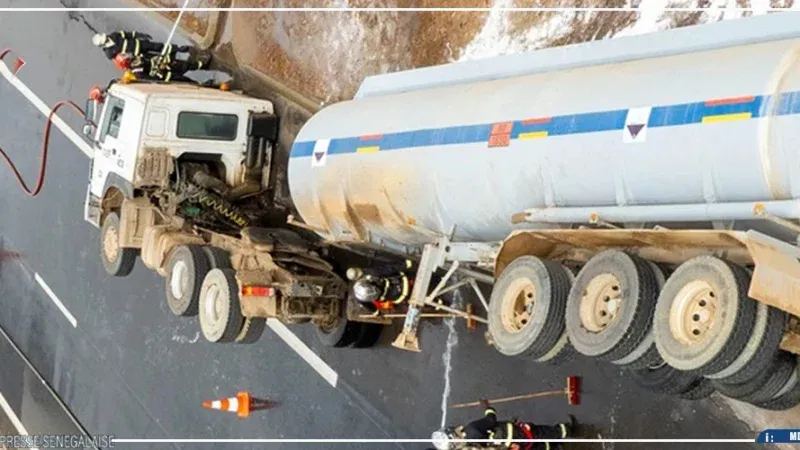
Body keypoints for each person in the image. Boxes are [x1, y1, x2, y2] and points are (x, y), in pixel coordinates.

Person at [432, 401, 577, 450]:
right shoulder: (471, 429)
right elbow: (491, 419)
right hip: (515, 434)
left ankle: (555, 446)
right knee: (541, 432)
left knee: (535, 447)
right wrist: (487, 407)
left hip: (510, 446)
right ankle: (568, 431)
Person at [347, 259, 414, 313]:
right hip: (404, 283)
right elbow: (388, 269)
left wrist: (376, 312)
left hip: (398, 298)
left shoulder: (360, 296)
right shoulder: (371, 273)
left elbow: (368, 306)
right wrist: (405, 264)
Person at [92, 30, 191, 61]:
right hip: (138, 56)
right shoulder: (110, 53)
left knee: (158, 46)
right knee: (155, 58)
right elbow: (121, 60)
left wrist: (141, 35)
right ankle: (173, 60)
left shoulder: (114, 35)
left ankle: (178, 49)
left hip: (141, 44)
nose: (107, 39)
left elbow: (129, 34)